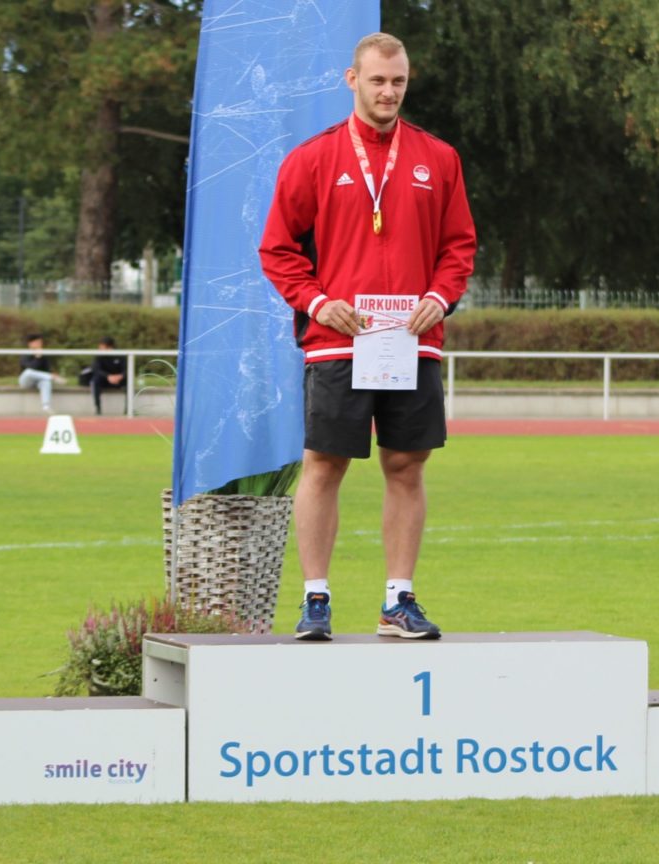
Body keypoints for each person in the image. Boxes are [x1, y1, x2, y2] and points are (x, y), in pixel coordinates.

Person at [259, 32, 476, 641]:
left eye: (399, 81)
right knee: (323, 464)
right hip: (338, 341)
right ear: (351, 79)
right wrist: (317, 302)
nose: (389, 91)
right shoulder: (313, 158)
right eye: (378, 80)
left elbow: (459, 245)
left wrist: (439, 297)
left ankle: (398, 601)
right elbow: (277, 249)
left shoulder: (439, 158)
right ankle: (315, 600)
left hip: (412, 339)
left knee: (407, 465)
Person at [82, 335, 127, 415]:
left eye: (102, 346)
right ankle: (98, 409)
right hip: (105, 380)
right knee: (95, 380)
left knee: (129, 383)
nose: (100, 348)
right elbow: (96, 369)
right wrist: (108, 376)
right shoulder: (99, 355)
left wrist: (120, 376)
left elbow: (127, 370)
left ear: (109, 347)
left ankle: (128, 410)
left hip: (118, 380)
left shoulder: (121, 355)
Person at [18, 333, 61, 412]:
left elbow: (47, 369)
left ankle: (46, 406)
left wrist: (51, 372)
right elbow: (30, 368)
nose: (40, 344)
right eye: (37, 342)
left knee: (46, 382)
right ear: (30, 344)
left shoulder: (44, 355)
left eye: (40, 342)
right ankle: (51, 377)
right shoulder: (25, 354)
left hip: (39, 381)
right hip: (26, 381)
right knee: (28, 372)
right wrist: (37, 358)